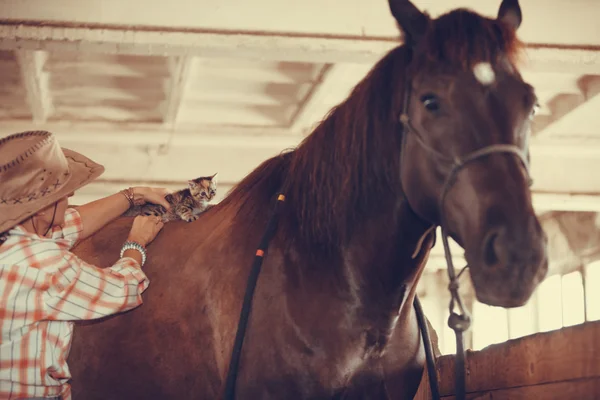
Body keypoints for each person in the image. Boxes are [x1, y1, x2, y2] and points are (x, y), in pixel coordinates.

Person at [0, 130, 172, 400]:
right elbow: (121, 289)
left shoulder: (12, 245)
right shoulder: (44, 264)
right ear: (44, 207)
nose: (71, 198)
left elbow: (72, 223)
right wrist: (137, 241)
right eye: (65, 194)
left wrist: (132, 195)